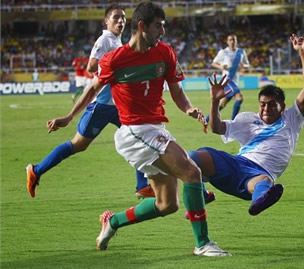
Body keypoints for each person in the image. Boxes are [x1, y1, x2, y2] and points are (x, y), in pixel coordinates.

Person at [44, 2, 229, 256]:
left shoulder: (165, 53)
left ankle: (114, 221)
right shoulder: (115, 60)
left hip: (152, 129)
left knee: (167, 204)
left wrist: (189, 109)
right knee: (192, 171)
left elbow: (177, 93)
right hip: (134, 131)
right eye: (158, 26)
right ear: (141, 26)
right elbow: (92, 89)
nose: (162, 32)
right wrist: (68, 117)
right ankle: (203, 243)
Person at [26, 4, 154, 200]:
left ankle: (142, 185)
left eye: (123, 18)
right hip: (102, 105)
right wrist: (115, 69)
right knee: (78, 144)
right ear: (106, 21)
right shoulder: (105, 40)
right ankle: (36, 170)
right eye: (115, 17)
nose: (120, 21)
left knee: (139, 135)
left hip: (118, 105)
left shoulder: (117, 41)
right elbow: (91, 66)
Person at [189, 34, 304, 216]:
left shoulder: (292, 118)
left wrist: (303, 54)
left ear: (283, 107)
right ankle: (201, 196)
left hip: (258, 174)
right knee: (194, 157)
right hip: (235, 163)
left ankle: (260, 200)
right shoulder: (247, 119)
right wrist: (215, 102)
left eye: (272, 104)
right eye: (263, 104)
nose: (266, 108)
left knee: (264, 182)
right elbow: (216, 128)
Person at [207, 34, 250, 124]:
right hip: (227, 80)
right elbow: (214, 63)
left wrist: (243, 66)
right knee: (240, 98)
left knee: (222, 104)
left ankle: (206, 120)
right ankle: (234, 121)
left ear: (236, 41)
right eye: (230, 40)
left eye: (234, 40)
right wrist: (221, 66)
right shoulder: (223, 52)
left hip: (235, 80)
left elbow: (247, 65)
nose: (232, 41)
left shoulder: (241, 52)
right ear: (227, 42)